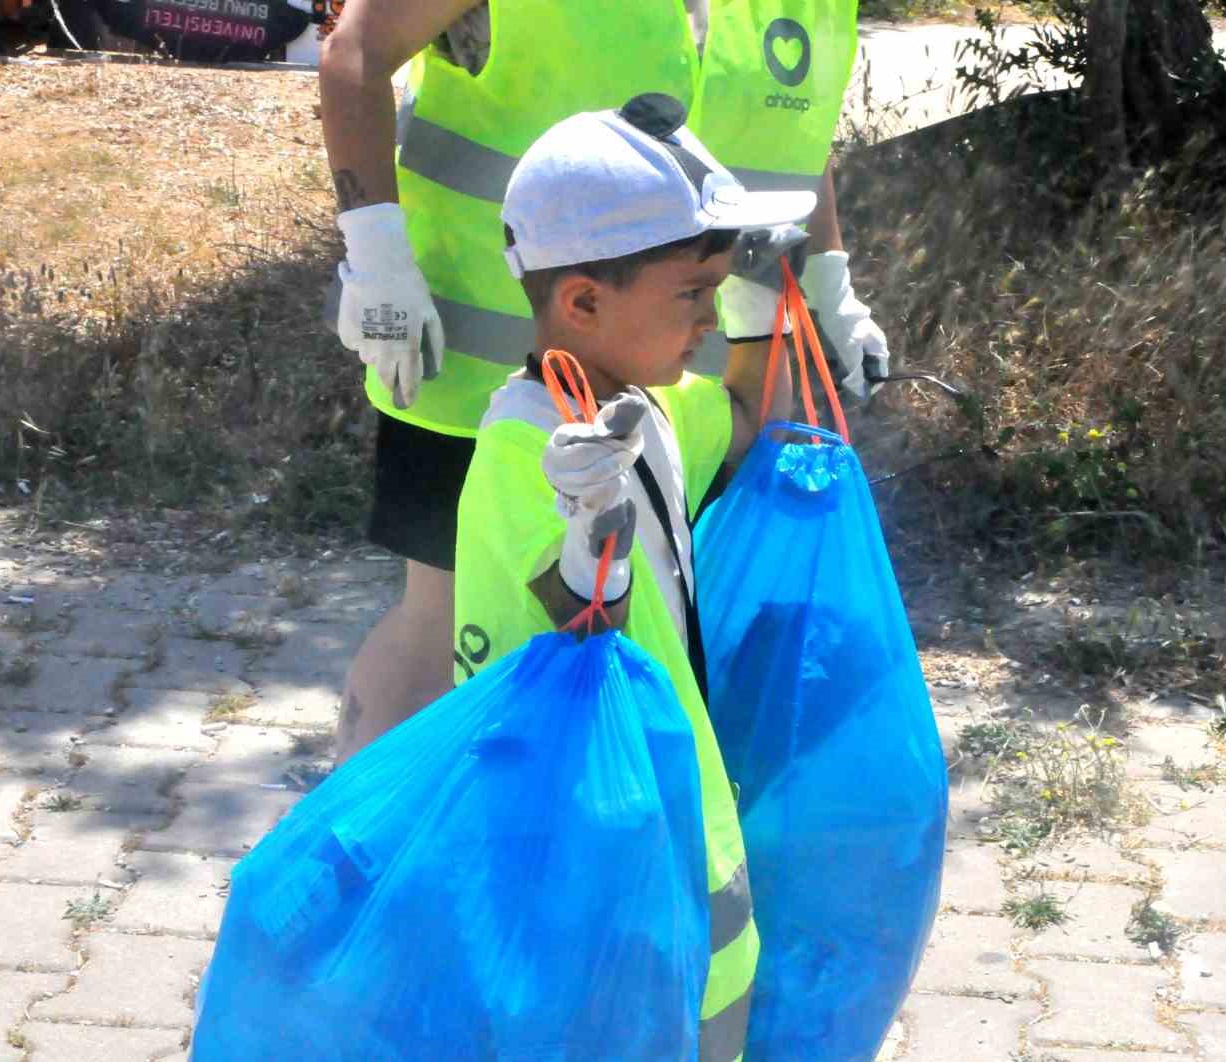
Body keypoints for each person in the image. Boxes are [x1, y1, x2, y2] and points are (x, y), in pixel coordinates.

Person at [318, 0, 891, 763]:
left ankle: (598, 847)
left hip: (683, 381)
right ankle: (378, 855)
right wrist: (376, 248)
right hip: (475, 375)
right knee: (444, 622)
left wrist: (830, 275)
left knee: (653, 612)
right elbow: (355, 50)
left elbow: (785, 130)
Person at [451, 91, 812, 1061]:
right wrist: (584, 531)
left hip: (673, 801)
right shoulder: (525, 455)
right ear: (581, 302)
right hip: (586, 831)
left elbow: (740, 419)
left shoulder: (648, 406)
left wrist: (772, 300)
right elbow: (581, 629)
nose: (703, 321)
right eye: (689, 295)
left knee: (711, 1012)